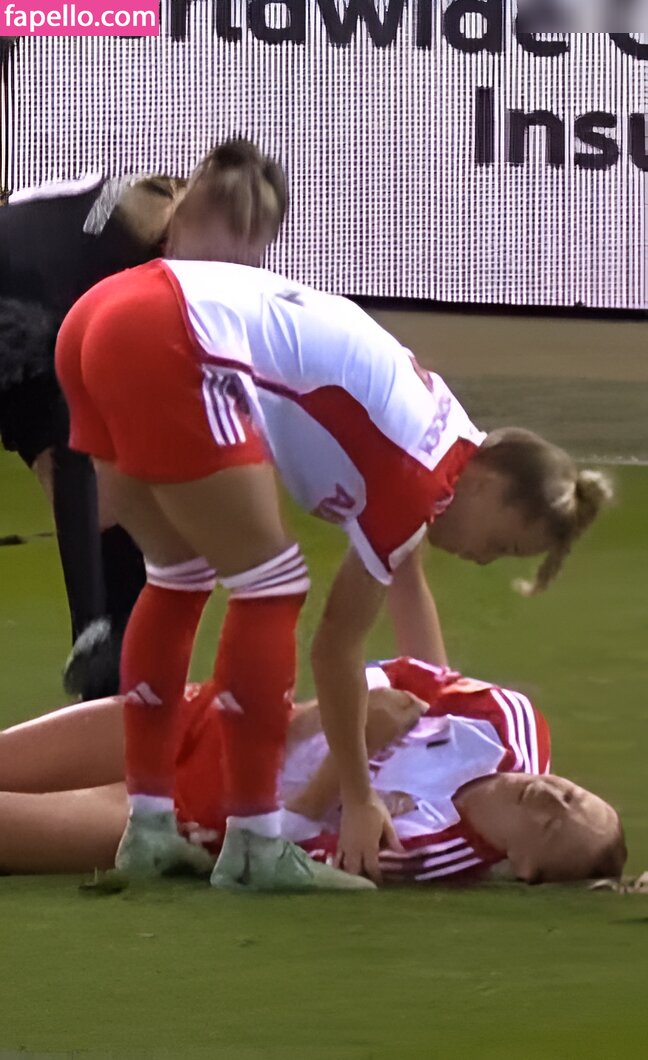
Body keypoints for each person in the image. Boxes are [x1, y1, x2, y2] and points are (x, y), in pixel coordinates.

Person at [55, 232, 614, 891]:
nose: (485, 559)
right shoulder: (419, 477)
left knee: (178, 570)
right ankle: (256, 846)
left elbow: (403, 580)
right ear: (490, 486)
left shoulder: (439, 433)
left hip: (103, 312)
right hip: (173, 334)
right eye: (505, 544)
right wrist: (359, 795)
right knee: (271, 583)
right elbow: (335, 649)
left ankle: (149, 826)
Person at [0, 658, 625, 884]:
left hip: (190, 816)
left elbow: (279, 843)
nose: (552, 798)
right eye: (573, 795)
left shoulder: (433, 853)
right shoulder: (507, 721)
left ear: (523, 866)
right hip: (215, 720)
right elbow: (381, 672)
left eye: (554, 824)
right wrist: (330, 726)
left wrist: (349, 765)